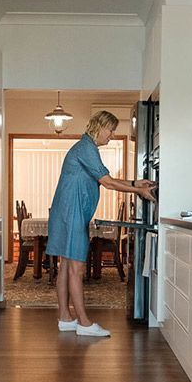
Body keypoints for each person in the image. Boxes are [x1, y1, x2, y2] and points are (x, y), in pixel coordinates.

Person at [45, 111, 156, 337]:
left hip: (65, 212)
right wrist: (139, 190)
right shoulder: (86, 148)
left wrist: (135, 182)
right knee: (76, 268)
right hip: (71, 213)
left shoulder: (86, 148)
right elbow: (107, 183)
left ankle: (65, 318)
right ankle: (84, 324)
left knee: (65, 266)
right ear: (100, 126)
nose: (112, 135)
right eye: (111, 130)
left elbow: (105, 178)